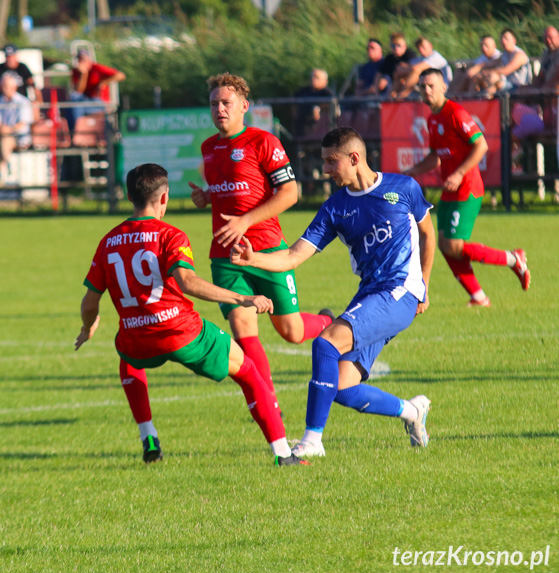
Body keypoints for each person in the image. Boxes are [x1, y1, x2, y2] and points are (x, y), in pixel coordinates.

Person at [75, 163, 307, 467]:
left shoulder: (108, 241)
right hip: (181, 333)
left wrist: (88, 327)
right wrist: (243, 298)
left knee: (127, 355)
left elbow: (90, 302)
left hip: (137, 337)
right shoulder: (171, 235)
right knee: (248, 371)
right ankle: (283, 453)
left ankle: (149, 437)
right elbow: (188, 282)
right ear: (164, 199)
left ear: (130, 196)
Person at [230, 127, 435, 458]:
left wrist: (423, 285)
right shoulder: (335, 207)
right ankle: (412, 412)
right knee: (341, 387)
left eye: (330, 161)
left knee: (325, 343)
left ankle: (312, 440)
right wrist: (253, 258)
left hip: (400, 293)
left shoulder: (403, 188)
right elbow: (294, 255)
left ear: (354, 158)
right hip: (370, 294)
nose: (325, 169)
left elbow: (428, 233)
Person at [189, 73, 334, 409]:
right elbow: (236, 191)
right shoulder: (209, 147)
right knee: (243, 326)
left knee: (292, 332)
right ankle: (270, 403)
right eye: (214, 104)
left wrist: (246, 221)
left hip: (268, 250)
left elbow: (290, 193)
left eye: (226, 103)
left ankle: (328, 321)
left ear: (244, 106)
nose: (219, 109)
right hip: (226, 255)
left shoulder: (262, 141)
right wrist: (208, 197)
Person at [404, 69, 530, 307]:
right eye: (422, 86)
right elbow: (436, 156)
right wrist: (413, 171)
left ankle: (513, 259)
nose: (426, 90)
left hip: (467, 187)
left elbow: (481, 145)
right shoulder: (432, 119)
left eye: (431, 85)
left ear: (443, 87)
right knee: (444, 245)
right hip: (450, 189)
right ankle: (478, 297)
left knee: (453, 245)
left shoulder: (456, 113)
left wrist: (460, 172)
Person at [0, 73, 34, 186]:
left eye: (7, 86)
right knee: (3, 140)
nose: (5, 89)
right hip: (4, 137)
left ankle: (3, 173)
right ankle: (7, 168)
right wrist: (2, 129)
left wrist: (6, 130)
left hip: (21, 138)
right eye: (3, 86)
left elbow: (22, 124)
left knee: (3, 140)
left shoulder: (23, 102)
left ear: (14, 87)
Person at [66, 48, 125, 130]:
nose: (81, 62)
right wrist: (84, 74)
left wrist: (104, 82)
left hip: (99, 102)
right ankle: (75, 133)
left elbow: (120, 75)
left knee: (75, 106)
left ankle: (75, 132)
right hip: (84, 102)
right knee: (72, 102)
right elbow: (79, 91)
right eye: (79, 59)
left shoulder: (97, 68)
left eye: (83, 59)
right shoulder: (76, 71)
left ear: (89, 60)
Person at [293, 69, 334, 138]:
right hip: (302, 127)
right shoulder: (303, 91)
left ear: (325, 81)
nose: (313, 79)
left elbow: (330, 105)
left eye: (316, 77)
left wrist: (318, 109)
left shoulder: (327, 94)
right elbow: (293, 103)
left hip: (321, 129)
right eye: (312, 77)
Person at [533, 25, 559, 92]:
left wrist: (547, 85)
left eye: (550, 38)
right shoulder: (546, 53)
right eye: (545, 38)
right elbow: (542, 73)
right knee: (522, 91)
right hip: (545, 86)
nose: (548, 41)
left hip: (554, 87)